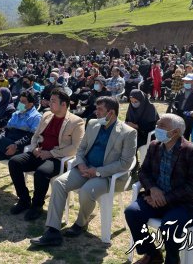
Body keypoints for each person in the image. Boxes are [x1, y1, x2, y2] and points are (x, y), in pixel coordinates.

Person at [30, 96, 137, 246]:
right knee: (60, 183)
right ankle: (53, 231)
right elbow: (81, 149)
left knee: (87, 190)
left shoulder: (128, 132)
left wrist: (97, 171)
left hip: (107, 176)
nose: (96, 112)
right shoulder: (93, 124)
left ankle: (80, 223)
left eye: (100, 109)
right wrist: (80, 164)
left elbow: (125, 163)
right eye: (96, 108)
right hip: (84, 168)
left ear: (111, 113)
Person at [125, 113, 193, 264]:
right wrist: (153, 189)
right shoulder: (155, 145)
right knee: (132, 212)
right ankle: (152, 254)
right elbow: (143, 172)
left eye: (162, 126)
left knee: (169, 225)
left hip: (184, 203)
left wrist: (166, 198)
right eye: (157, 125)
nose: (157, 129)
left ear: (175, 132)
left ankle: (172, 259)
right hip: (155, 197)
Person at [8, 88, 85, 221]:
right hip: (39, 153)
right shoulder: (46, 115)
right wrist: (34, 149)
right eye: (50, 100)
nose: (50, 103)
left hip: (57, 158)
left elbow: (75, 148)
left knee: (41, 172)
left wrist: (51, 153)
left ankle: (37, 205)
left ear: (64, 104)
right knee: (14, 162)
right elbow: (35, 136)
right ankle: (24, 199)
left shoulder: (76, 122)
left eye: (53, 101)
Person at [171, 73, 193, 140]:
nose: (185, 82)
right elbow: (175, 102)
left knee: (187, 120)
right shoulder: (181, 91)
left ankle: (184, 140)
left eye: (188, 81)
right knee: (170, 119)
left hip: (191, 114)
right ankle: (172, 138)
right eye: (185, 81)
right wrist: (174, 108)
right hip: (179, 112)